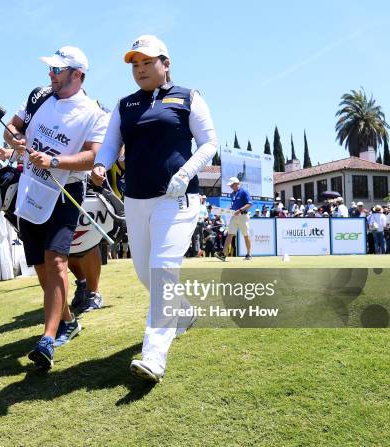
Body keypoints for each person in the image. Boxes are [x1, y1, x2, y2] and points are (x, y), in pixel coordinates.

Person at [91, 35, 217, 382]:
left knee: (162, 270)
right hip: (136, 198)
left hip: (178, 198)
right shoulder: (125, 104)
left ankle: (154, 355)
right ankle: (185, 312)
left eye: (147, 62)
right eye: (135, 64)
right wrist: (101, 165)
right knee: (146, 274)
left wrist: (186, 172)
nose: (141, 69)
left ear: (166, 63)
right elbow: (110, 144)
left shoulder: (189, 97)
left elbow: (210, 143)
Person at [3, 45, 108, 369]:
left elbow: (94, 156)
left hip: (65, 193)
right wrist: (15, 140)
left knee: (57, 260)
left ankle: (48, 338)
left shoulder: (94, 113)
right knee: (40, 266)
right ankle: (67, 321)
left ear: (77, 75)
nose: (50, 74)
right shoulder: (38, 96)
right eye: (50, 68)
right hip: (29, 189)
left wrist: (55, 160)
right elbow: (12, 128)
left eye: (57, 70)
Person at [215, 177, 252, 261]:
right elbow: (233, 206)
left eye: (232, 185)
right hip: (234, 216)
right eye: (230, 185)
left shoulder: (244, 192)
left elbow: (249, 204)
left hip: (243, 216)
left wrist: (239, 210)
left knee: (246, 235)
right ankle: (223, 254)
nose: (230, 186)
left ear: (236, 184)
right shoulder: (232, 194)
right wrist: (226, 211)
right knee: (230, 234)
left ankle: (249, 254)